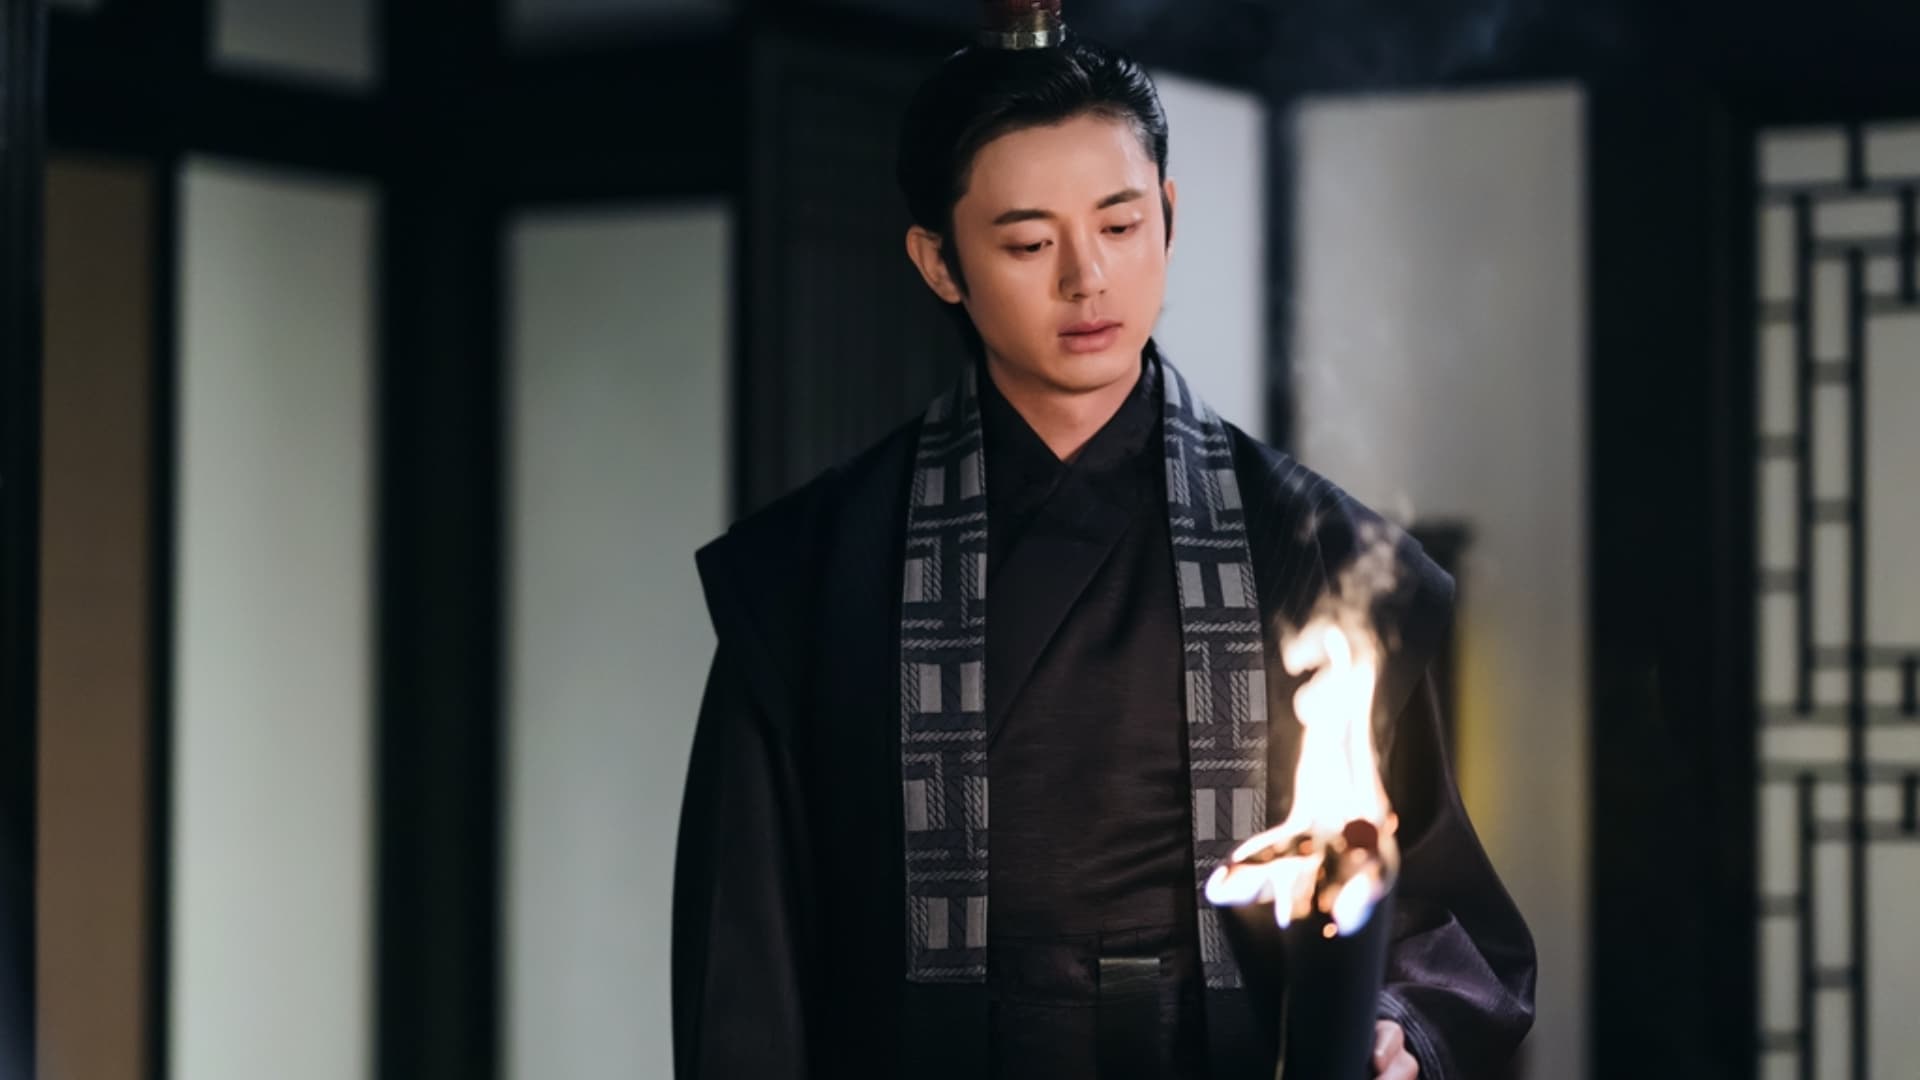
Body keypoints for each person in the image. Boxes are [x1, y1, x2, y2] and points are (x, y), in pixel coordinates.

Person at [672, 4, 1534, 1077]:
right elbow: (745, 967)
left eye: (1120, 227)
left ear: (1166, 214)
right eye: (1030, 243)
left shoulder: (1318, 553)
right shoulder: (812, 576)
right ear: (939, 262)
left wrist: (1403, 1024)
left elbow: (1442, 917)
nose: (1087, 279)